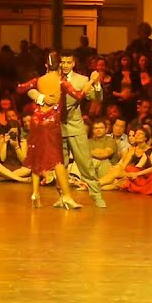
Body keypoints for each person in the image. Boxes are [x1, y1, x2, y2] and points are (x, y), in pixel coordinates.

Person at [22, 50, 106, 208]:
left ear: (74, 63)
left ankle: (97, 196)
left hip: (75, 127)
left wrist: (96, 83)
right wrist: (41, 98)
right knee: (60, 164)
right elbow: (31, 88)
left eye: (69, 62)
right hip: (55, 127)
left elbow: (96, 98)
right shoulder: (52, 78)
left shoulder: (81, 79)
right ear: (58, 63)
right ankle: (63, 197)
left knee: (85, 164)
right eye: (63, 62)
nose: (66, 65)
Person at [17, 52, 80, 210]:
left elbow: (20, 89)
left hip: (37, 121)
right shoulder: (61, 80)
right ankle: (66, 196)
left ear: (46, 66)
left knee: (36, 156)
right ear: (59, 65)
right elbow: (78, 94)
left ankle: (35, 194)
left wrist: (39, 95)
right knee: (58, 160)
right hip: (51, 124)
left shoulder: (38, 80)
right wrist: (92, 81)